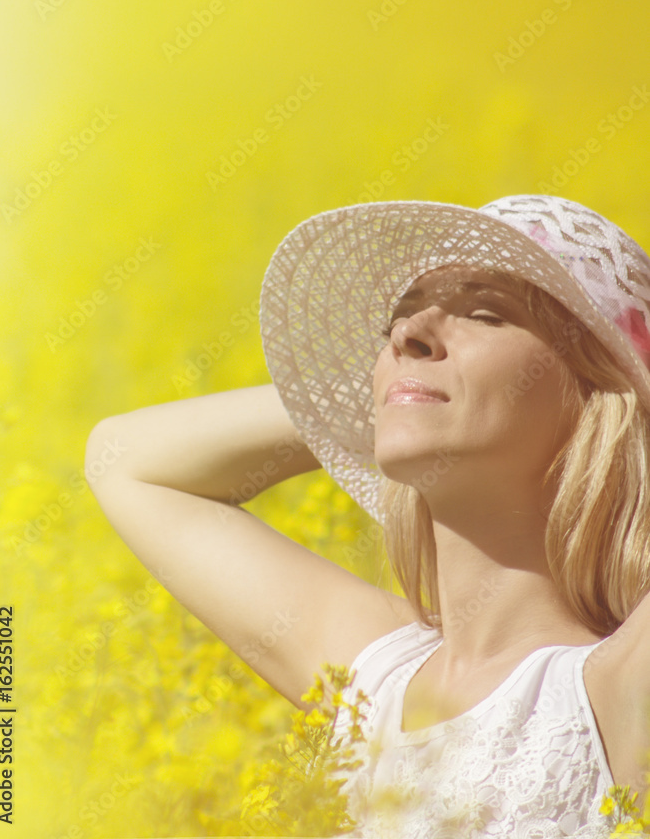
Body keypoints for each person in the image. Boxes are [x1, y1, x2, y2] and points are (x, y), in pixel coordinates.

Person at [85, 194, 650, 837]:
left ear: (598, 395)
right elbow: (124, 461)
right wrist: (384, 401)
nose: (409, 335)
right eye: (399, 324)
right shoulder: (376, 683)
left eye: (487, 314)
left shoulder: (615, 688)